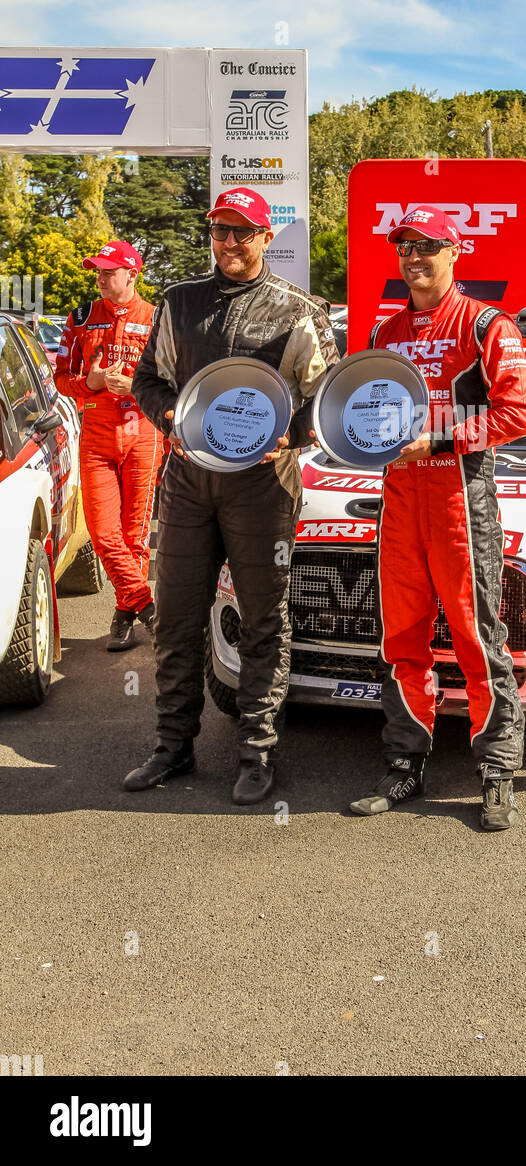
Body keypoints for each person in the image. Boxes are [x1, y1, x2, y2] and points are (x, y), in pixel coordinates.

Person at [123, 187, 340, 805]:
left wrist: (287, 438)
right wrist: (175, 421)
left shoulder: (299, 310)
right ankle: (172, 747)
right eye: (220, 230)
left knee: (263, 622)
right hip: (189, 482)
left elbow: (327, 403)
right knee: (176, 621)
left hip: (263, 488)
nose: (229, 242)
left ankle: (257, 752)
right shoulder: (179, 301)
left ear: (267, 238)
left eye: (243, 232)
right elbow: (148, 381)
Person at [349, 205, 526, 830]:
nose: (413, 256)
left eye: (427, 245)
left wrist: (440, 440)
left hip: (460, 499)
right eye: (404, 245)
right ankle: (404, 764)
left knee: (477, 638)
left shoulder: (488, 325)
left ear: (455, 252)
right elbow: (367, 413)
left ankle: (497, 773)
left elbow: (518, 414)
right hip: (400, 500)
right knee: (401, 637)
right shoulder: (385, 332)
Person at [54, 241, 162, 651]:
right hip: (97, 433)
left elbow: (172, 381)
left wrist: (136, 387)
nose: (100, 278)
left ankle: (124, 616)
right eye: (97, 271)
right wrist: (92, 384)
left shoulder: (155, 318)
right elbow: (62, 378)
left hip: (143, 432)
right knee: (102, 533)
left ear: (131, 274)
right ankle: (149, 608)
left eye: (108, 271)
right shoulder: (80, 317)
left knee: (135, 535)